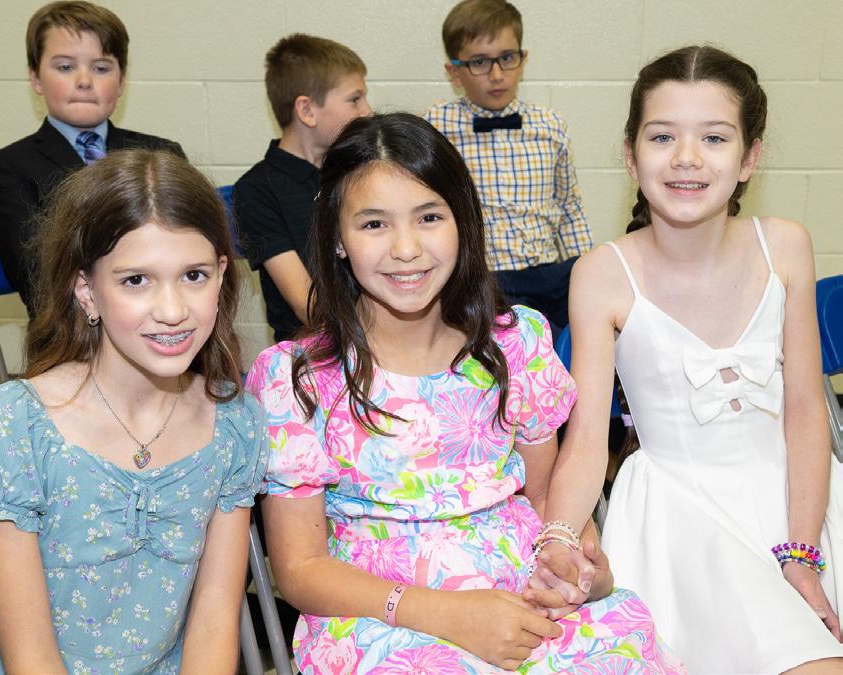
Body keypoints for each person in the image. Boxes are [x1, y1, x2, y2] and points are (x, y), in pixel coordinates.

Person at [246, 113, 683, 673]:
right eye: (374, 224)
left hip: (520, 594)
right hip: (380, 618)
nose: (407, 248)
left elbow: (546, 498)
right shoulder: (299, 379)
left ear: (463, 223)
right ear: (336, 238)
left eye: (429, 217)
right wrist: (451, 615)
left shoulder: (512, 346)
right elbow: (299, 570)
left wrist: (570, 558)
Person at [556, 45, 843, 672]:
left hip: (803, 499)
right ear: (631, 155)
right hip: (684, 518)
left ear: (750, 158)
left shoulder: (785, 245)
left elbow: (805, 409)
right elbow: (585, 442)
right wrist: (556, 537)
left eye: (714, 137)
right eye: (663, 137)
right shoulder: (602, 274)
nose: (686, 157)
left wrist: (803, 551)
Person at [0, 149, 267, 673]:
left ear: (221, 275)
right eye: (136, 280)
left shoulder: (234, 424)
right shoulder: (16, 428)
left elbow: (214, 623)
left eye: (194, 275)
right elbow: (29, 656)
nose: (172, 310)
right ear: (86, 291)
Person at [0, 0, 185, 318]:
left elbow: (188, 254)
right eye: (65, 67)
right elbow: (36, 279)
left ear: (121, 80)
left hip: (166, 317)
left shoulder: (162, 154)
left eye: (101, 68)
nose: (84, 81)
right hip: (71, 330)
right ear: (36, 78)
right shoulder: (9, 167)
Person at [424, 0, 590, 336]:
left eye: (507, 58)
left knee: (582, 335)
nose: (497, 74)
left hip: (551, 274)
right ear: (454, 72)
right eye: (480, 62)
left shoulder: (550, 125)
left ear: (523, 59)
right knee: (514, 346)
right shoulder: (435, 127)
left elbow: (569, 208)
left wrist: (590, 271)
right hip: (484, 278)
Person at [235, 33, 371, 345]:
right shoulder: (257, 190)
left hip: (378, 342)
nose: (367, 110)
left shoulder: (358, 171)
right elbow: (309, 307)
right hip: (310, 353)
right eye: (355, 99)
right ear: (307, 110)